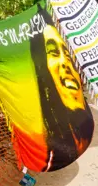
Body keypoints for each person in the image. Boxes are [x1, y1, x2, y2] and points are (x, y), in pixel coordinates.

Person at [29, 9, 94, 171]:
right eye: (52, 52)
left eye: (65, 52)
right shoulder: (47, 151)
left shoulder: (82, 133)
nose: (64, 63)